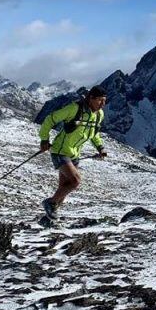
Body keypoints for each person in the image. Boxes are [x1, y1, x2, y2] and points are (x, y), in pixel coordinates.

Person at [38, 85, 108, 221]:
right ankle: (49, 203)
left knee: (63, 188)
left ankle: (49, 219)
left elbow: (94, 134)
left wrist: (100, 148)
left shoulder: (99, 115)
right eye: (100, 100)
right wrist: (44, 139)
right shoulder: (74, 108)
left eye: (104, 100)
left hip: (75, 154)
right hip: (60, 151)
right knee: (75, 181)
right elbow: (50, 119)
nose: (103, 104)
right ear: (91, 98)